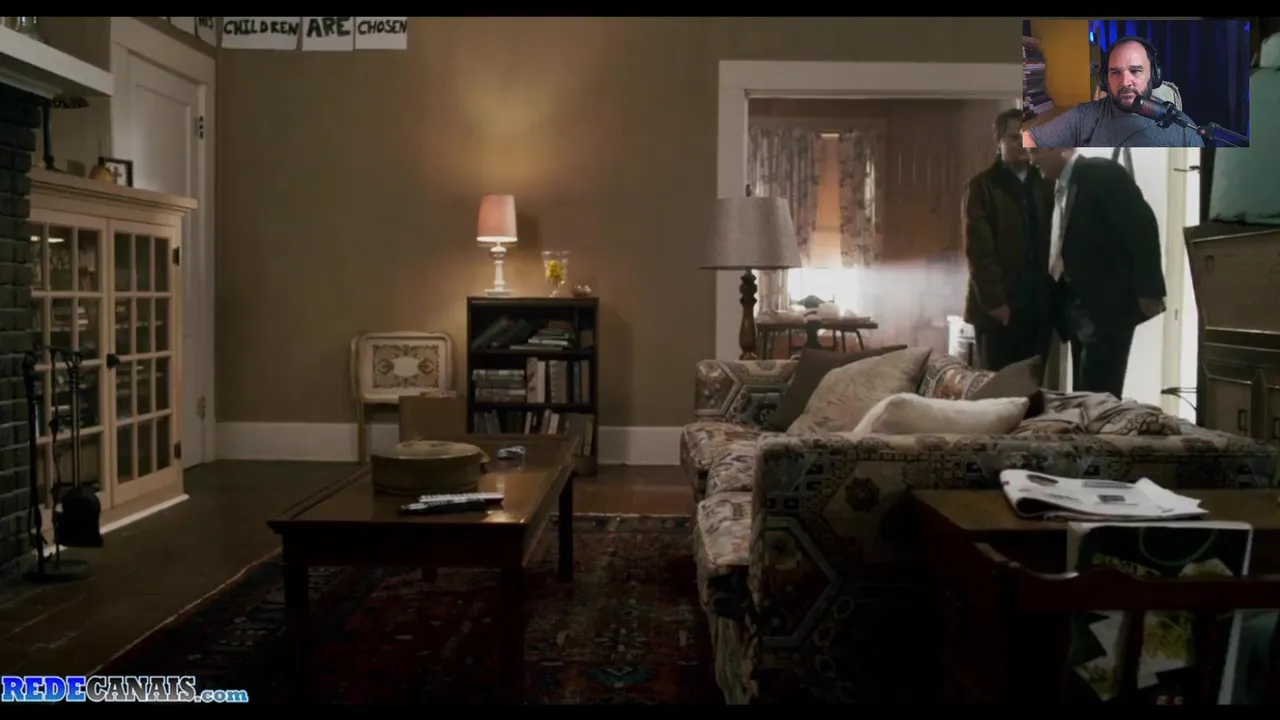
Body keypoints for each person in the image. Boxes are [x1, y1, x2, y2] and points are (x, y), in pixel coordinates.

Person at [1028, 147, 1167, 398]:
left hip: (1107, 313)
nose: (1032, 160)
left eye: (1036, 152)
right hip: (1078, 312)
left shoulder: (1103, 174)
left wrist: (1150, 292)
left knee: (1098, 399)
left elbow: (1142, 228)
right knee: (1083, 396)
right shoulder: (1059, 186)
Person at [962, 108, 1055, 374]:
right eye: (1015, 137)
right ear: (999, 140)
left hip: (1038, 308)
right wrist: (995, 303)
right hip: (997, 310)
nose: (1023, 143)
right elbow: (979, 251)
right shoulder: (981, 187)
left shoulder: (1046, 184)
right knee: (998, 386)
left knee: (1032, 385)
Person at [1023, 37, 1205, 148]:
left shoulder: (1184, 130)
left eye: (1135, 71)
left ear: (1154, 75)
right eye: (1115, 72)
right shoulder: (1082, 117)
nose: (1125, 82)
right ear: (1105, 80)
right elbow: (1029, 138)